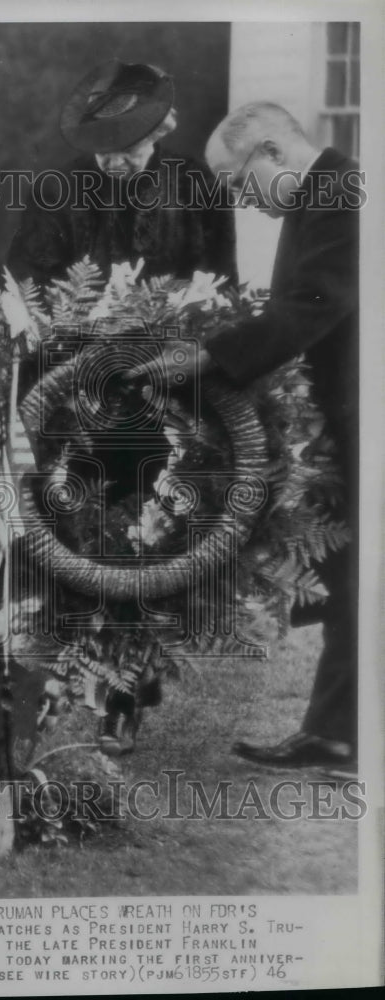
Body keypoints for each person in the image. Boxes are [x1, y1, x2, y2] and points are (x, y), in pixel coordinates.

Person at [152, 102, 360, 770]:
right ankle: (336, 733)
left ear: (272, 151)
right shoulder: (316, 202)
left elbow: (316, 307)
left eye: (241, 183)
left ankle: (348, 738)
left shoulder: (339, 194)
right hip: (349, 417)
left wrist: (211, 357)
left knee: (364, 582)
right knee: (351, 582)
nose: (241, 200)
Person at [6, 61, 235, 286]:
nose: (114, 163)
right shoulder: (55, 190)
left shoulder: (200, 184)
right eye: (102, 151)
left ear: (156, 134)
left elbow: (220, 283)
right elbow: (29, 283)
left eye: (128, 150)